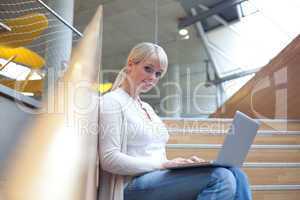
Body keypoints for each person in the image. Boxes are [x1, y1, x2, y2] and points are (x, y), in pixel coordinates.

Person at [98, 42, 252, 200]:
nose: (152, 78)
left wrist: (184, 165)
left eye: (158, 74)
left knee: (237, 174)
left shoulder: (147, 108)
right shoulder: (111, 102)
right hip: (130, 185)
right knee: (221, 177)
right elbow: (109, 159)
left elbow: (154, 154)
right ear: (130, 64)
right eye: (148, 69)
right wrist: (163, 165)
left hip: (156, 177)